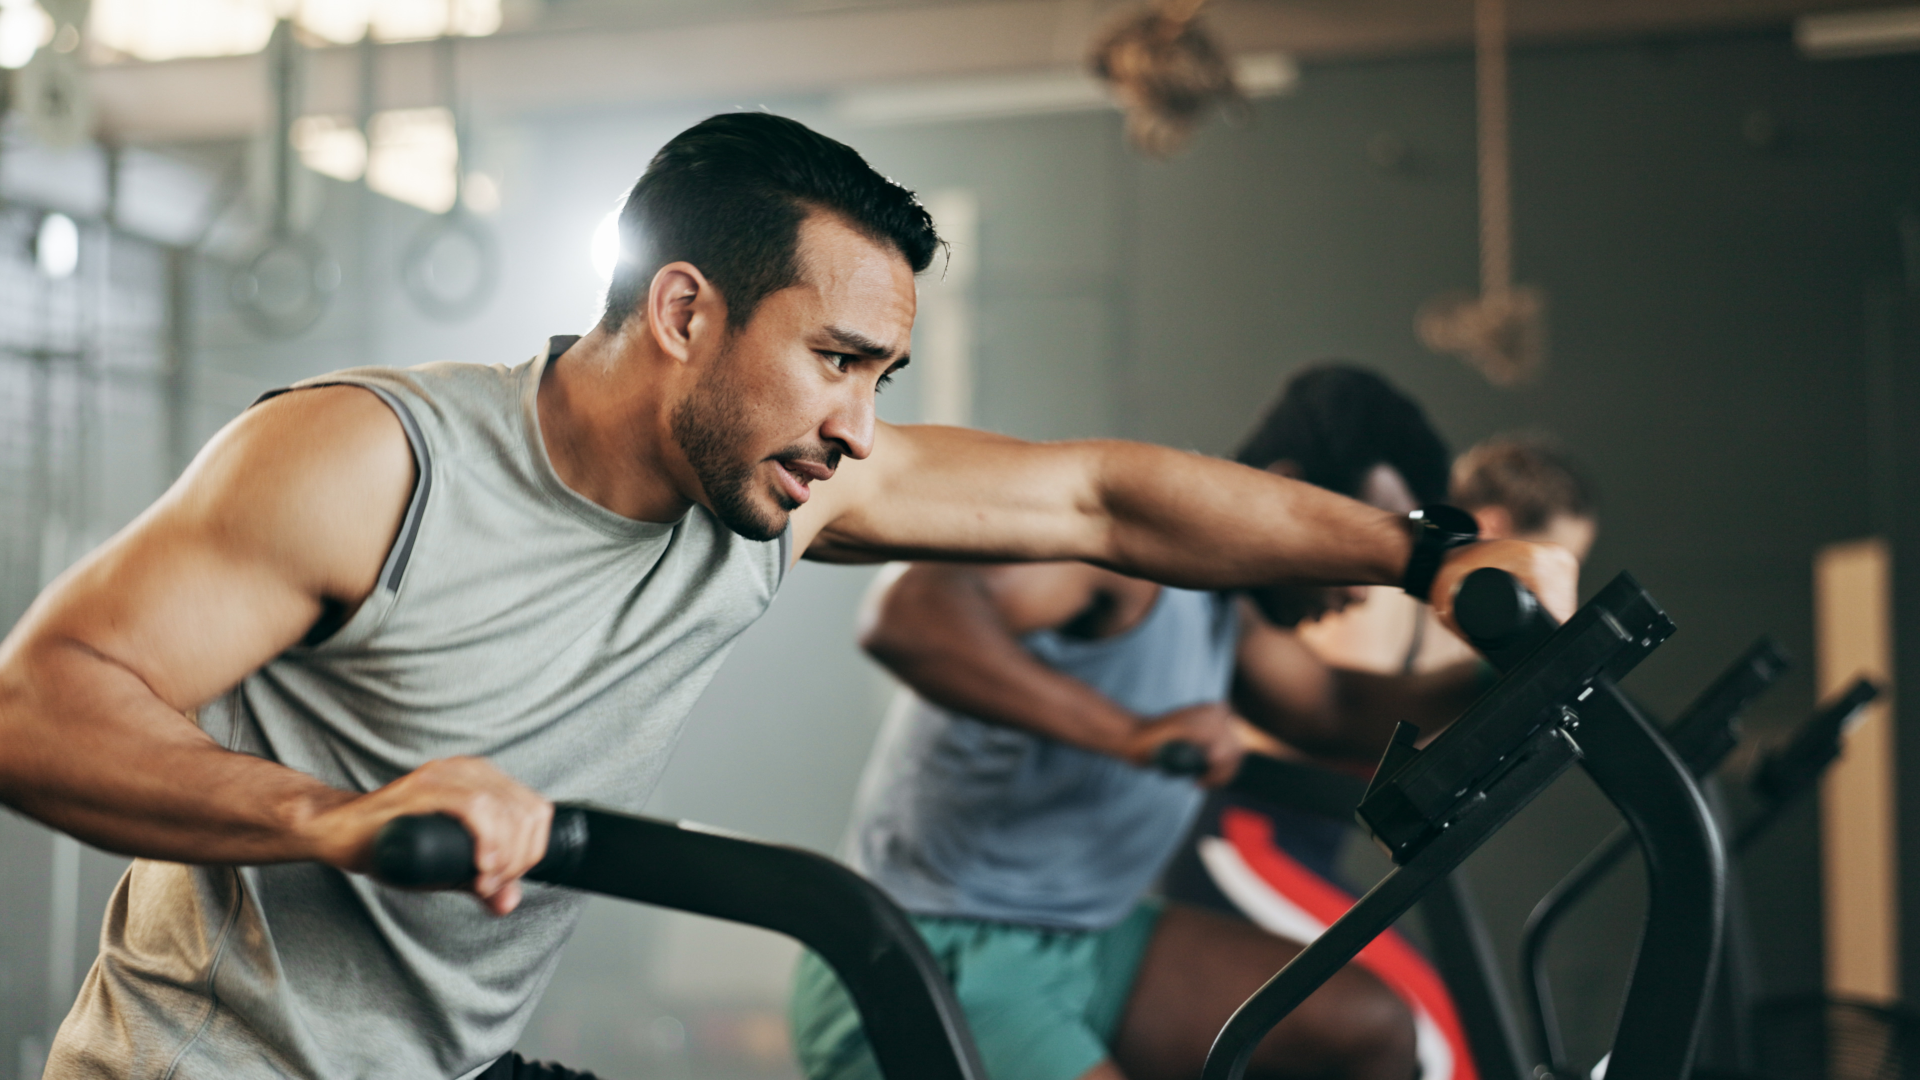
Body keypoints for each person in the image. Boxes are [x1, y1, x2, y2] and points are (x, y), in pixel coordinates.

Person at [0, 113, 1571, 1080]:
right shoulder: (368, 463)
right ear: (684, 311)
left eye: (882, 377)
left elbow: (1103, 496)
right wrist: (326, 819)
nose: (861, 426)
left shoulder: (782, 490)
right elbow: (37, 705)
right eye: (835, 362)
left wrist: (1422, 554)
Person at [792, 366, 1498, 1080]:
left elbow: (1336, 710)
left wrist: (1503, 666)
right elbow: (906, 617)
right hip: (927, 952)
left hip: (1091, 943)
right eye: (1356, 540)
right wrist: (1126, 732)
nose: (1361, 587)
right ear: (1293, 493)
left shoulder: (1234, 612)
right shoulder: (1128, 561)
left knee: (1366, 1031)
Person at [1164, 430, 1601, 1080]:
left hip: (1301, 843)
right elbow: (1330, 715)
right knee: (1431, 1037)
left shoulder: (1441, 627)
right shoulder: (1376, 603)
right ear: (1497, 528)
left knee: (1443, 1031)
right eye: (1557, 562)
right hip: (1246, 838)